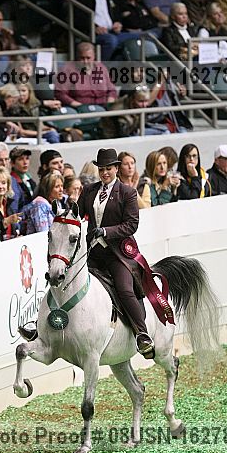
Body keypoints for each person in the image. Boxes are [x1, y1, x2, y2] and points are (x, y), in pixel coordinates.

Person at [77, 147, 155, 356]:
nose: (104, 173)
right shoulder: (89, 190)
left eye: (108, 169)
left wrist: (106, 231)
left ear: (116, 169)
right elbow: (77, 214)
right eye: (101, 169)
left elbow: (131, 225)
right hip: (92, 253)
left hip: (117, 253)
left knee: (124, 289)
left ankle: (142, 334)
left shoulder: (127, 193)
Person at [73, 0, 141, 60]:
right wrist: (95, 28)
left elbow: (117, 14)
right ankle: (100, 67)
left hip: (113, 32)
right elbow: (79, 18)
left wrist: (118, 23)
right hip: (93, 34)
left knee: (139, 37)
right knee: (111, 40)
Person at [55, 41, 117, 107]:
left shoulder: (101, 68)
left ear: (94, 56)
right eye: (82, 58)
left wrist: (109, 104)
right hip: (78, 107)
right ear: (77, 57)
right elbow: (60, 93)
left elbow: (112, 90)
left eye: (88, 58)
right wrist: (79, 106)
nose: (85, 61)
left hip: (104, 106)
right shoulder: (66, 70)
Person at [101, 86, 170, 138]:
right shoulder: (121, 112)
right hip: (116, 137)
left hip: (132, 131)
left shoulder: (137, 106)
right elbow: (123, 134)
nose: (144, 105)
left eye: (146, 101)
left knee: (165, 131)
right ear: (133, 99)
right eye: (141, 101)